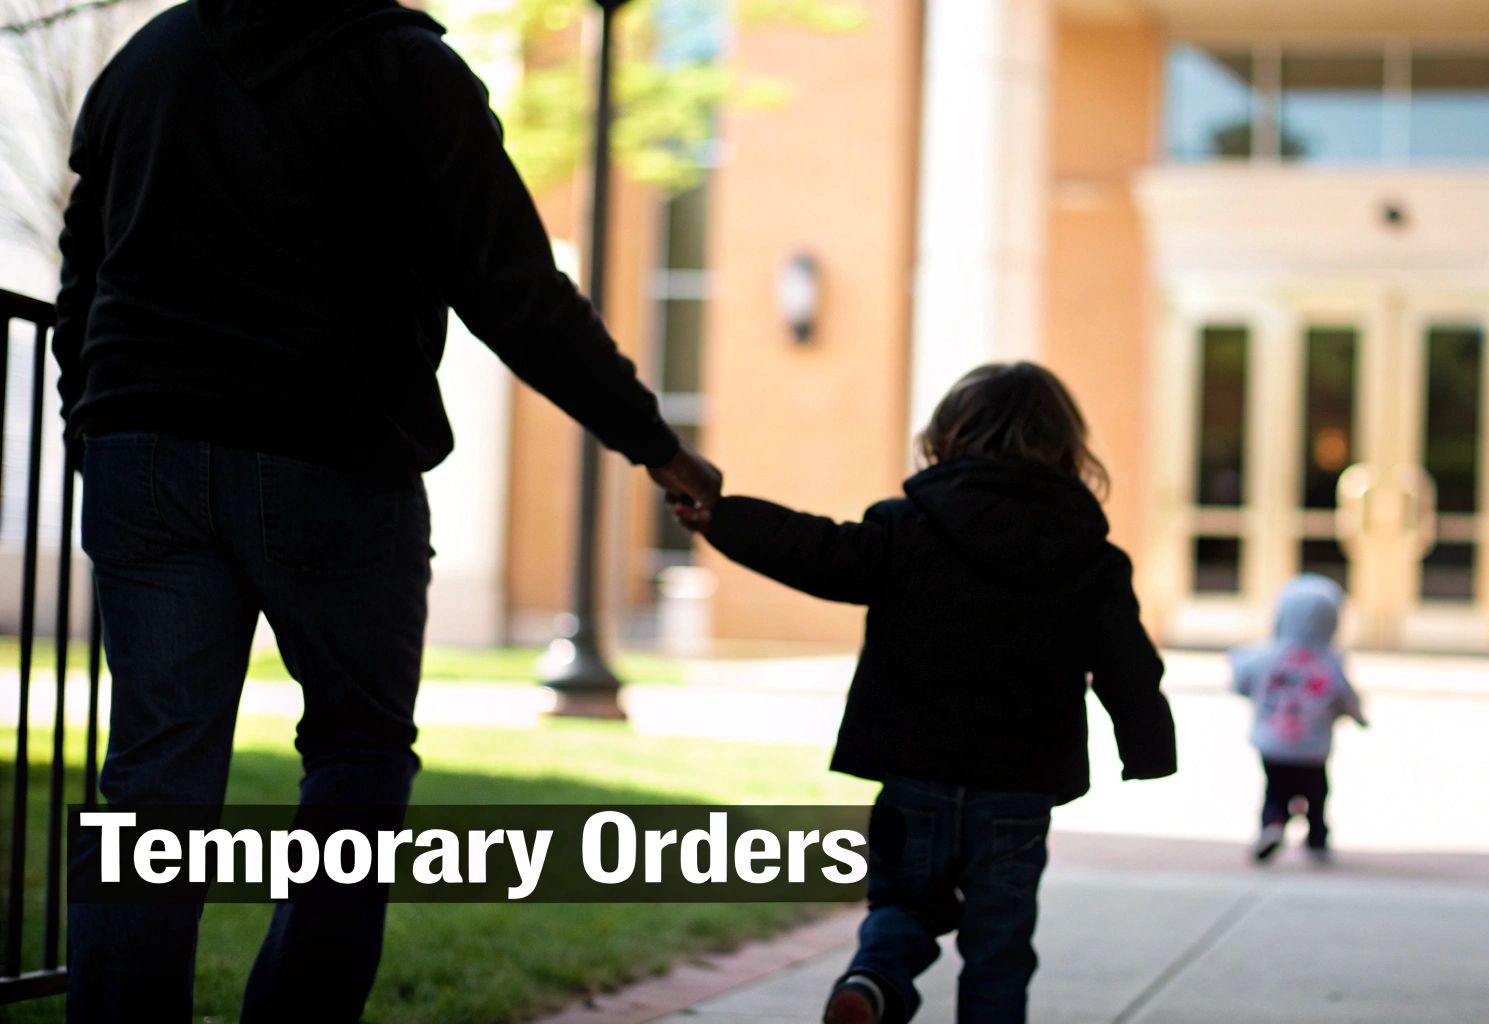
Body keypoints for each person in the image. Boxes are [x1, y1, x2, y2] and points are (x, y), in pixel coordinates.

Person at [54, 1, 720, 1019]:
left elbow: (84, 274)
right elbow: (513, 291)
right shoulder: (405, 73)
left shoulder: (147, 62)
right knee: (356, 756)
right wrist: (656, 443)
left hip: (142, 452)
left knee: (152, 782)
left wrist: (87, 430)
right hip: (329, 456)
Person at [670, 362, 1177, 1024]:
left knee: (903, 906)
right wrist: (1147, 749)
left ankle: (875, 982)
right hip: (1018, 791)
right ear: (1065, 448)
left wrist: (724, 520)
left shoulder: (907, 529)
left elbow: (817, 551)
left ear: (948, 436)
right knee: (999, 947)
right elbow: (1128, 668)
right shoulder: (1091, 559)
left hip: (916, 775)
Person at [1230, 574, 1368, 863]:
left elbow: (1240, 680)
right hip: (1313, 748)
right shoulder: (1330, 662)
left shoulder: (1265, 655)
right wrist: (1357, 716)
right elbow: (1346, 697)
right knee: (1317, 793)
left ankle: (1273, 823)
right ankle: (1316, 837)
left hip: (1272, 744)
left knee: (1275, 790)